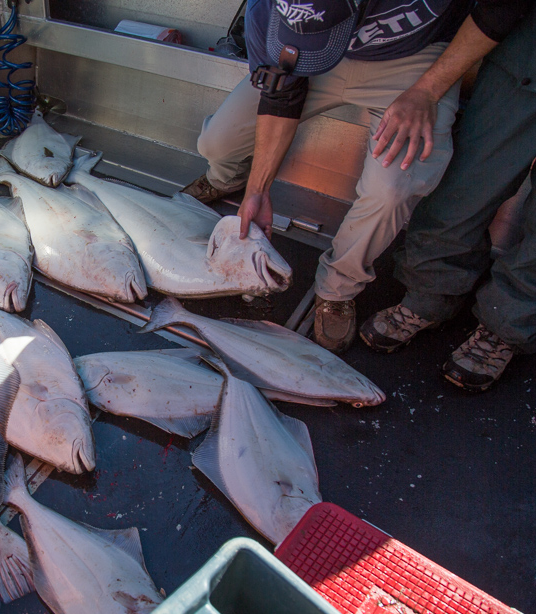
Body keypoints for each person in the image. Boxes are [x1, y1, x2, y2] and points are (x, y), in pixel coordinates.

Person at [184, 0, 502, 352]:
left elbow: (499, 11)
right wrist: (258, 188)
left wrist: (428, 90)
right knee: (218, 141)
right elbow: (281, 92)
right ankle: (228, 179)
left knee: (391, 190)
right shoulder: (267, 14)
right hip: (310, 56)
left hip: (415, 59)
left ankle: (337, 288)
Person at [359, 0, 536, 392]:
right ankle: (428, 296)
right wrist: (430, 87)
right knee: (463, 189)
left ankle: (508, 324)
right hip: (531, 50)